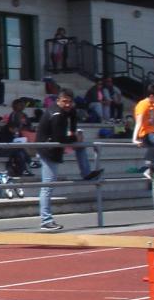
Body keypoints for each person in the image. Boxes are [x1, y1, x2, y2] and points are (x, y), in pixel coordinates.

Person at [35, 88, 104, 232]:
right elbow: (59, 139)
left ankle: (86, 173)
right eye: (64, 102)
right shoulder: (56, 114)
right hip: (47, 149)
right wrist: (74, 137)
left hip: (55, 144)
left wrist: (73, 133)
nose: (67, 105)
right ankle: (46, 221)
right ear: (58, 101)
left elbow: (72, 120)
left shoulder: (70, 110)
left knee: (80, 146)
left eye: (70, 102)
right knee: (47, 185)